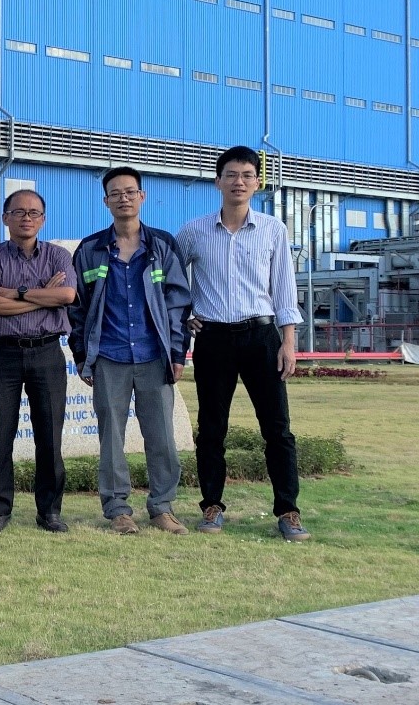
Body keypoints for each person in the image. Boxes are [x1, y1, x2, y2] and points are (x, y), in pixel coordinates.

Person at [176, 145, 309, 541]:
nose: (239, 181)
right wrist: (184, 313)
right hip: (213, 338)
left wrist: (288, 341)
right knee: (211, 427)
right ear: (217, 181)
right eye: (231, 175)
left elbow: (284, 289)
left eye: (247, 175)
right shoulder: (194, 231)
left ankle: (288, 511)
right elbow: (169, 279)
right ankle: (212, 505)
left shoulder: (273, 229)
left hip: (261, 337)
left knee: (278, 429)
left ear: (258, 182)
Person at [68, 167, 191, 536]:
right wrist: (82, 356)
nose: (123, 198)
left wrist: (177, 352)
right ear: (106, 201)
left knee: (162, 436)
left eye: (130, 191)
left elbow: (178, 303)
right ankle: (118, 510)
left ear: (142, 196)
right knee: (111, 439)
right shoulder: (90, 250)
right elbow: (77, 308)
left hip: (155, 356)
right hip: (109, 356)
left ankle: (162, 507)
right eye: (115, 193)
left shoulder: (162, 245)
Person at [0, 190, 76, 534]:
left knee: (49, 436)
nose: (26, 218)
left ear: (43, 219)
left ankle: (49, 512)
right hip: (3, 354)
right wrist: (42, 296)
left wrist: (16, 293)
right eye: (19, 212)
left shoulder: (58, 256)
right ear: (5, 218)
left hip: (47, 352)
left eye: (34, 212)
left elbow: (67, 295)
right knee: (0, 433)